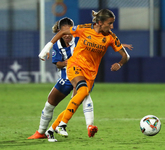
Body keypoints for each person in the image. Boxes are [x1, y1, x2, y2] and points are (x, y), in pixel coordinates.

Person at [38, 9, 131, 142]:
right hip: (75, 65)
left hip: (90, 73)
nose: (112, 26)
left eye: (112, 24)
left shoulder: (111, 37)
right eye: (109, 23)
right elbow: (64, 31)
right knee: (83, 90)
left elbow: (125, 56)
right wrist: (47, 47)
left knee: (75, 102)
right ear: (100, 23)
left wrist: (120, 64)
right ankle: (65, 125)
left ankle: (51, 130)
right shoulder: (85, 28)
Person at [27, 17, 97, 141]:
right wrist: (67, 62)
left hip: (80, 75)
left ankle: (89, 126)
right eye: (63, 32)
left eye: (69, 32)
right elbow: (57, 63)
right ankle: (41, 132)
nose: (67, 35)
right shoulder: (57, 45)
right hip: (65, 78)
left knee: (83, 96)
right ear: (60, 31)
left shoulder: (80, 39)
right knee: (49, 104)